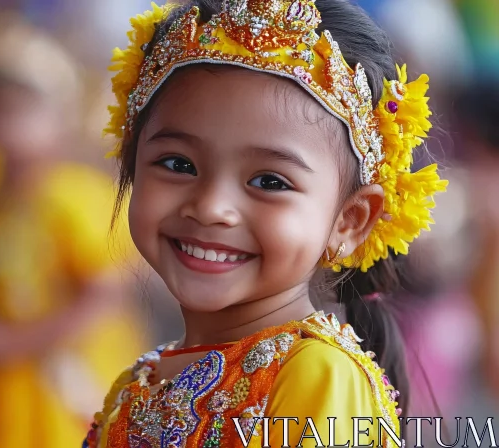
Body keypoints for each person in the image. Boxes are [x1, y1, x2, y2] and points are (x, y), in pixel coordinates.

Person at [84, 1, 448, 447]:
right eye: (178, 163)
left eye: (269, 181)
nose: (212, 206)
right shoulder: (137, 382)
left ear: (349, 221)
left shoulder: (317, 374)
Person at [0, 19, 146, 448]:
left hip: (63, 390)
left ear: (61, 116)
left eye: (21, 110)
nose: (6, 127)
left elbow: (103, 298)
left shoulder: (74, 199)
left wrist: (9, 342)